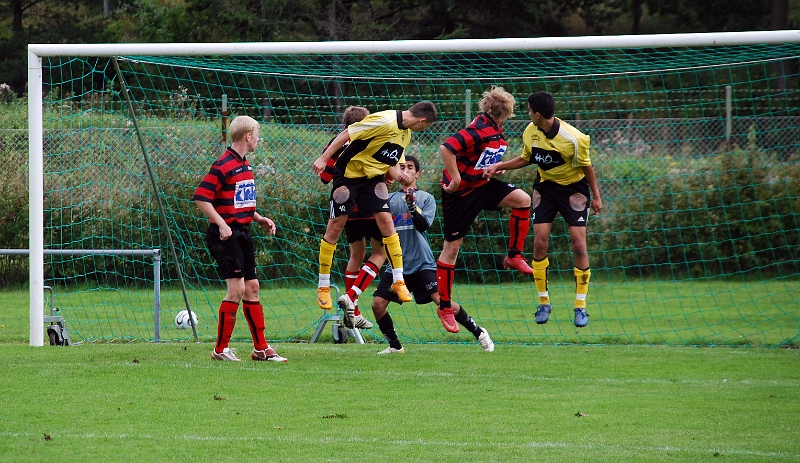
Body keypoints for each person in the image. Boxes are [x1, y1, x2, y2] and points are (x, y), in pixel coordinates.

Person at [312, 101, 438, 329]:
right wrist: (324, 158)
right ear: (422, 121)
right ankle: (323, 285)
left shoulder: (405, 134)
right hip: (349, 176)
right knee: (335, 228)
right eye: (426, 127)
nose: (424, 130)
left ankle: (399, 281)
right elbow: (347, 133)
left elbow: (394, 164)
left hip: (372, 179)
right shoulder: (385, 120)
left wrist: (402, 177)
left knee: (387, 225)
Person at [484, 91, 602, 327]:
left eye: (529, 111)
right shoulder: (531, 131)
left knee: (579, 244)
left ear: (537, 114)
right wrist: (501, 165)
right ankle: (543, 302)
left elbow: (587, 168)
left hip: (573, 190)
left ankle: (580, 306)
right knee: (539, 242)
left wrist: (596, 197)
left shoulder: (574, 139)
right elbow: (528, 158)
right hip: (545, 189)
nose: (528, 115)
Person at [371, 156, 495, 354]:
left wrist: (412, 205)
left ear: (417, 173)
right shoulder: (389, 199)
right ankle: (395, 346)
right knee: (377, 304)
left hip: (422, 264)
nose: (405, 171)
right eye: (401, 167)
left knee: (441, 302)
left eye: (410, 167)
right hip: (397, 266)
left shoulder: (426, 198)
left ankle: (479, 332)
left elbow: (422, 225)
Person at [435, 86, 533, 333]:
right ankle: (445, 307)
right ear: (505, 113)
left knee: (522, 199)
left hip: (482, 185)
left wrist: (494, 167)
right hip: (460, 194)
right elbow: (446, 148)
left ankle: (514, 255)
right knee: (452, 249)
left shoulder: (494, 130)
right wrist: (455, 179)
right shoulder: (479, 130)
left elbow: (479, 158)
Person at [193, 115, 288, 362]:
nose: (259, 138)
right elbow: (202, 198)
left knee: (252, 288)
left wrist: (259, 218)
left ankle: (261, 349)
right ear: (248, 136)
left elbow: (239, 202)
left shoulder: (246, 166)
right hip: (225, 235)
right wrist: (223, 224)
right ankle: (220, 350)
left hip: (244, 231)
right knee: (236, 289)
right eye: (257, 134)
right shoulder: (223, 165)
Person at [317, 106, 380, 329]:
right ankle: (352, 299)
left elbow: (325, 177)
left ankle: (352, 308)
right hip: (371, 206)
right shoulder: (373, 137)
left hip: (347, 209)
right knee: (381, 253)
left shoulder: (337, 142)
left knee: (357, 255)